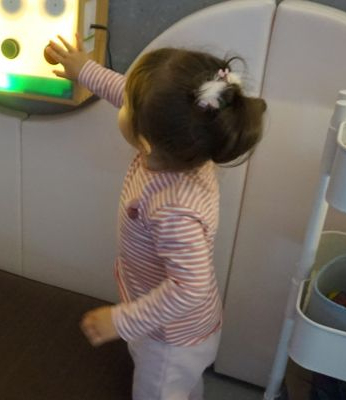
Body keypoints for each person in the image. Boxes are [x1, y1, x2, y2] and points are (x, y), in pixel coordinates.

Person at [46, 36, 266, 400]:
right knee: (184, 387)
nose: (123, 101)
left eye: (129, 105)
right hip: (175, 329)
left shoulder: (174, 208)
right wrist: (83, 69)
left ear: (145, 138)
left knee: (161, 391)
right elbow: (126, 93)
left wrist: (122, 321)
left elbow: (189, 288)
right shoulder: (188, 143)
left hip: (169, 341)